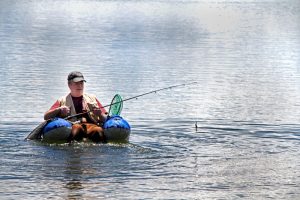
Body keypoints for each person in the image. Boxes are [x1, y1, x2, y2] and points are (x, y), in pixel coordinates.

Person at [44, 71, 108, 143]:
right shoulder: (62, 100)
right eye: (76, 83)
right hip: (73, 126)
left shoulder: (93, 98)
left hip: (92, 126)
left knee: (98, 130)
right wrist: (58, 110)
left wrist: (100, 114)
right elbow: (46, 116)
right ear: (69, 85)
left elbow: (106, 118)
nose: (80, 86)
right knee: (77, 128)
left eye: (81, 83)